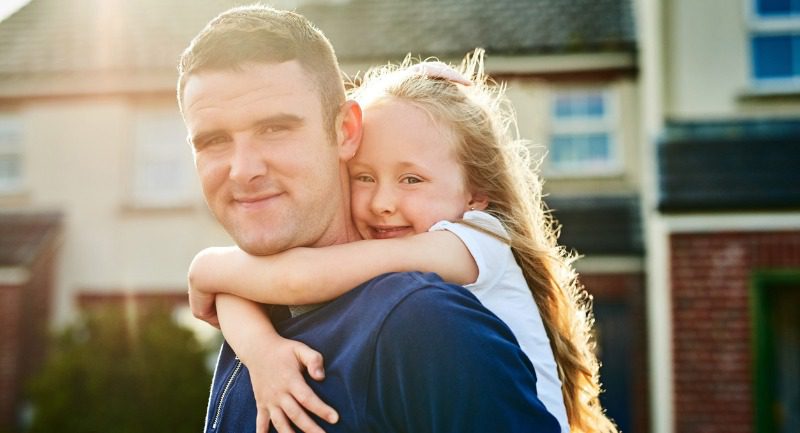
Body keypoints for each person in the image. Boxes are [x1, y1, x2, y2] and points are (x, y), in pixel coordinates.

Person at [188, 48, 618, 433]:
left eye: (412, 179)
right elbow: (248, 289)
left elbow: (296, 279)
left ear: (475, 194)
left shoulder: (475, 240)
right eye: (364, 177)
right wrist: (262, 352)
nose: (383, 203)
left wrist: (206, 266)